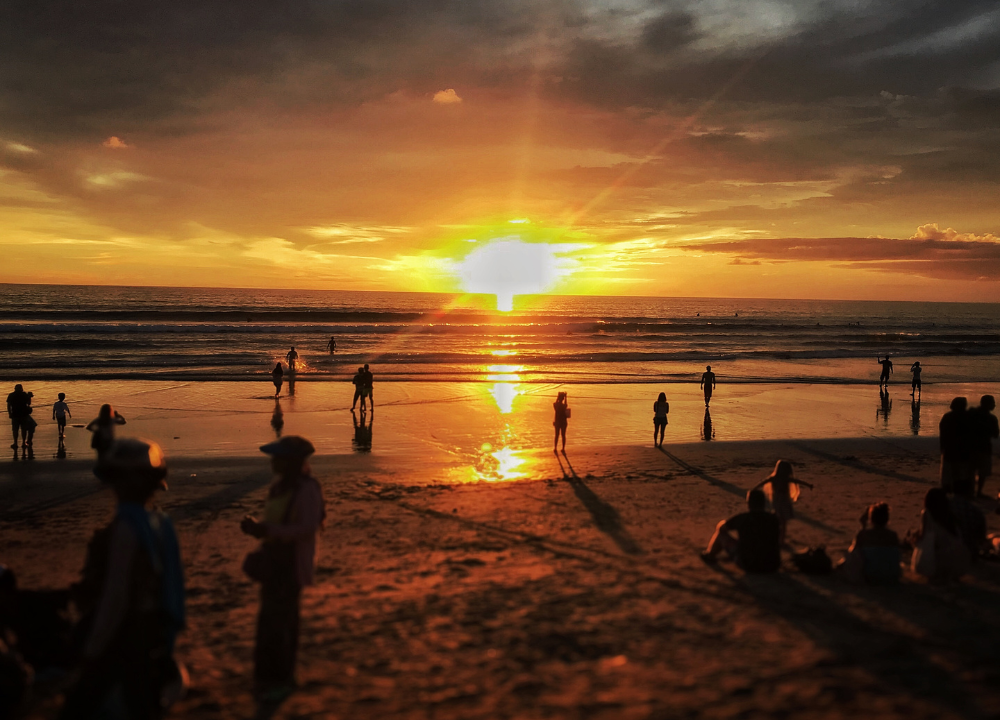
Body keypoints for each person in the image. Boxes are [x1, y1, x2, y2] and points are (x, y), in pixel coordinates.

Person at [61, 439, 185, 720]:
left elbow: (115, 595)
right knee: (139, 701)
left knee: (83, 705)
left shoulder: (126, 529)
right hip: (152, 626)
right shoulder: (159, 524)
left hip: (125, 632)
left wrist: (92, 649)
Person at [240, 436, 325, 700]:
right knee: (268, 620)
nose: (273, 463)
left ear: (292, 462)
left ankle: (283, 678)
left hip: (290, 563)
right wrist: (258, 529)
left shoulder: (307, 489)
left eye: (278, 459)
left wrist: (269, 530)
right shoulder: (279, 487)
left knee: (283, 622)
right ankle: (266, 677)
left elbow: (308, 529)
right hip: (275, 558)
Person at [700, 489, 781, 573]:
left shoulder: (743, 518)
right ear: (764, 502)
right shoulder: (773, 518)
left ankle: (710, 555)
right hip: (773, 565)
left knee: (721, 535)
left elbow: (721, 528)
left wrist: (724, 522)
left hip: (748, 565)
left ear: (749, 503)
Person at [910, 487, 971, 583]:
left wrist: (914, 538)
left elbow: (923, 535)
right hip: (960, 561)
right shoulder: (949, 513)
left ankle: (937, 571)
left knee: (924, 541)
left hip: (942, 560)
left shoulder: (927, 513)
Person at [751, 460, 814, 545]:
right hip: (783, 501)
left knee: (779, 519)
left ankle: (779, 539)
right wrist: (808, 485)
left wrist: (754, 489)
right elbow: (797, 481)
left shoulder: (774, 478)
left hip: (777, 501)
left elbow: (762, 483)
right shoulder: (784, 479)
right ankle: (780, 539)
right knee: (782, 521)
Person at [837, 502, 901, 585]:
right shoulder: (893, 535)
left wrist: (863, 527)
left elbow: (853, 554)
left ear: (870, 519)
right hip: (891, 576)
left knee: (856, 554)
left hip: (870, 575)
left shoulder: (864, 534)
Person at [968, 395, 998, 498]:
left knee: (971, 470)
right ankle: (978, 491)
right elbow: (995, 434)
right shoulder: (991, 418)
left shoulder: (972, 413)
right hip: (984, 447)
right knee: (982, 471)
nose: (994, 405)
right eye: (992, 403)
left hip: (971, 446)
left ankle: (971, 491)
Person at [939, 397, 971, 493]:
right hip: (962, 448)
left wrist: (942, 446)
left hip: (950, 447)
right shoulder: (967, 417)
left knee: (948, 471)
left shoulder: (948, 417)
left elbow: (943, 433)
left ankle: (947, 487)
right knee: (960, 470)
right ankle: (959, 488)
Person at [950, 476, 987, 558]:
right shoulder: (976, 512)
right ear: (969, 491)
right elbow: (981, 538)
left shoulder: (943, 507)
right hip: (969, 554)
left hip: (946, 553)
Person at [6, 384, 32, 449]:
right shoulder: (24, 394)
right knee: (23, 429)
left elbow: (9, 405)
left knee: (15, 430)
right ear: (21, 388)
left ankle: (15, 443)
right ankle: (23, 442)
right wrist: (29, 397)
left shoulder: (11, 395)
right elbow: (28, 403)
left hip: (15, 414)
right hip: (23, 414)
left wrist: (9, 413)